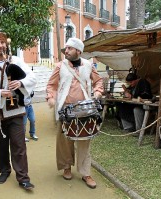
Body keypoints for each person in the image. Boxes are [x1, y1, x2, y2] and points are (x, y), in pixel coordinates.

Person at [0, 32, 36, 190]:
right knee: (0, 146)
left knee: (19, 145)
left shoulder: (17, 61)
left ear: (6, 45)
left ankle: (23, 178)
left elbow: (32, 78)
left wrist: (20, 83)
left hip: (16, 111)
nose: (0, 46)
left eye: (2, 42)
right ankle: (4, 170)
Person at [46, 37, 104, 189]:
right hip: (65, 109)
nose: (66, 51)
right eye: (66, 48)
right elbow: (51, 85)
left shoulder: (88, 65)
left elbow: (98, 81)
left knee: (85, 141)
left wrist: (97, 93)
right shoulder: (60, 66)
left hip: (85, 109)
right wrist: (51, 98)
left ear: (78, 51)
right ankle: (66, 167)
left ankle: (86, 173)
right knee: (64, 141)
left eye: (69, 49)